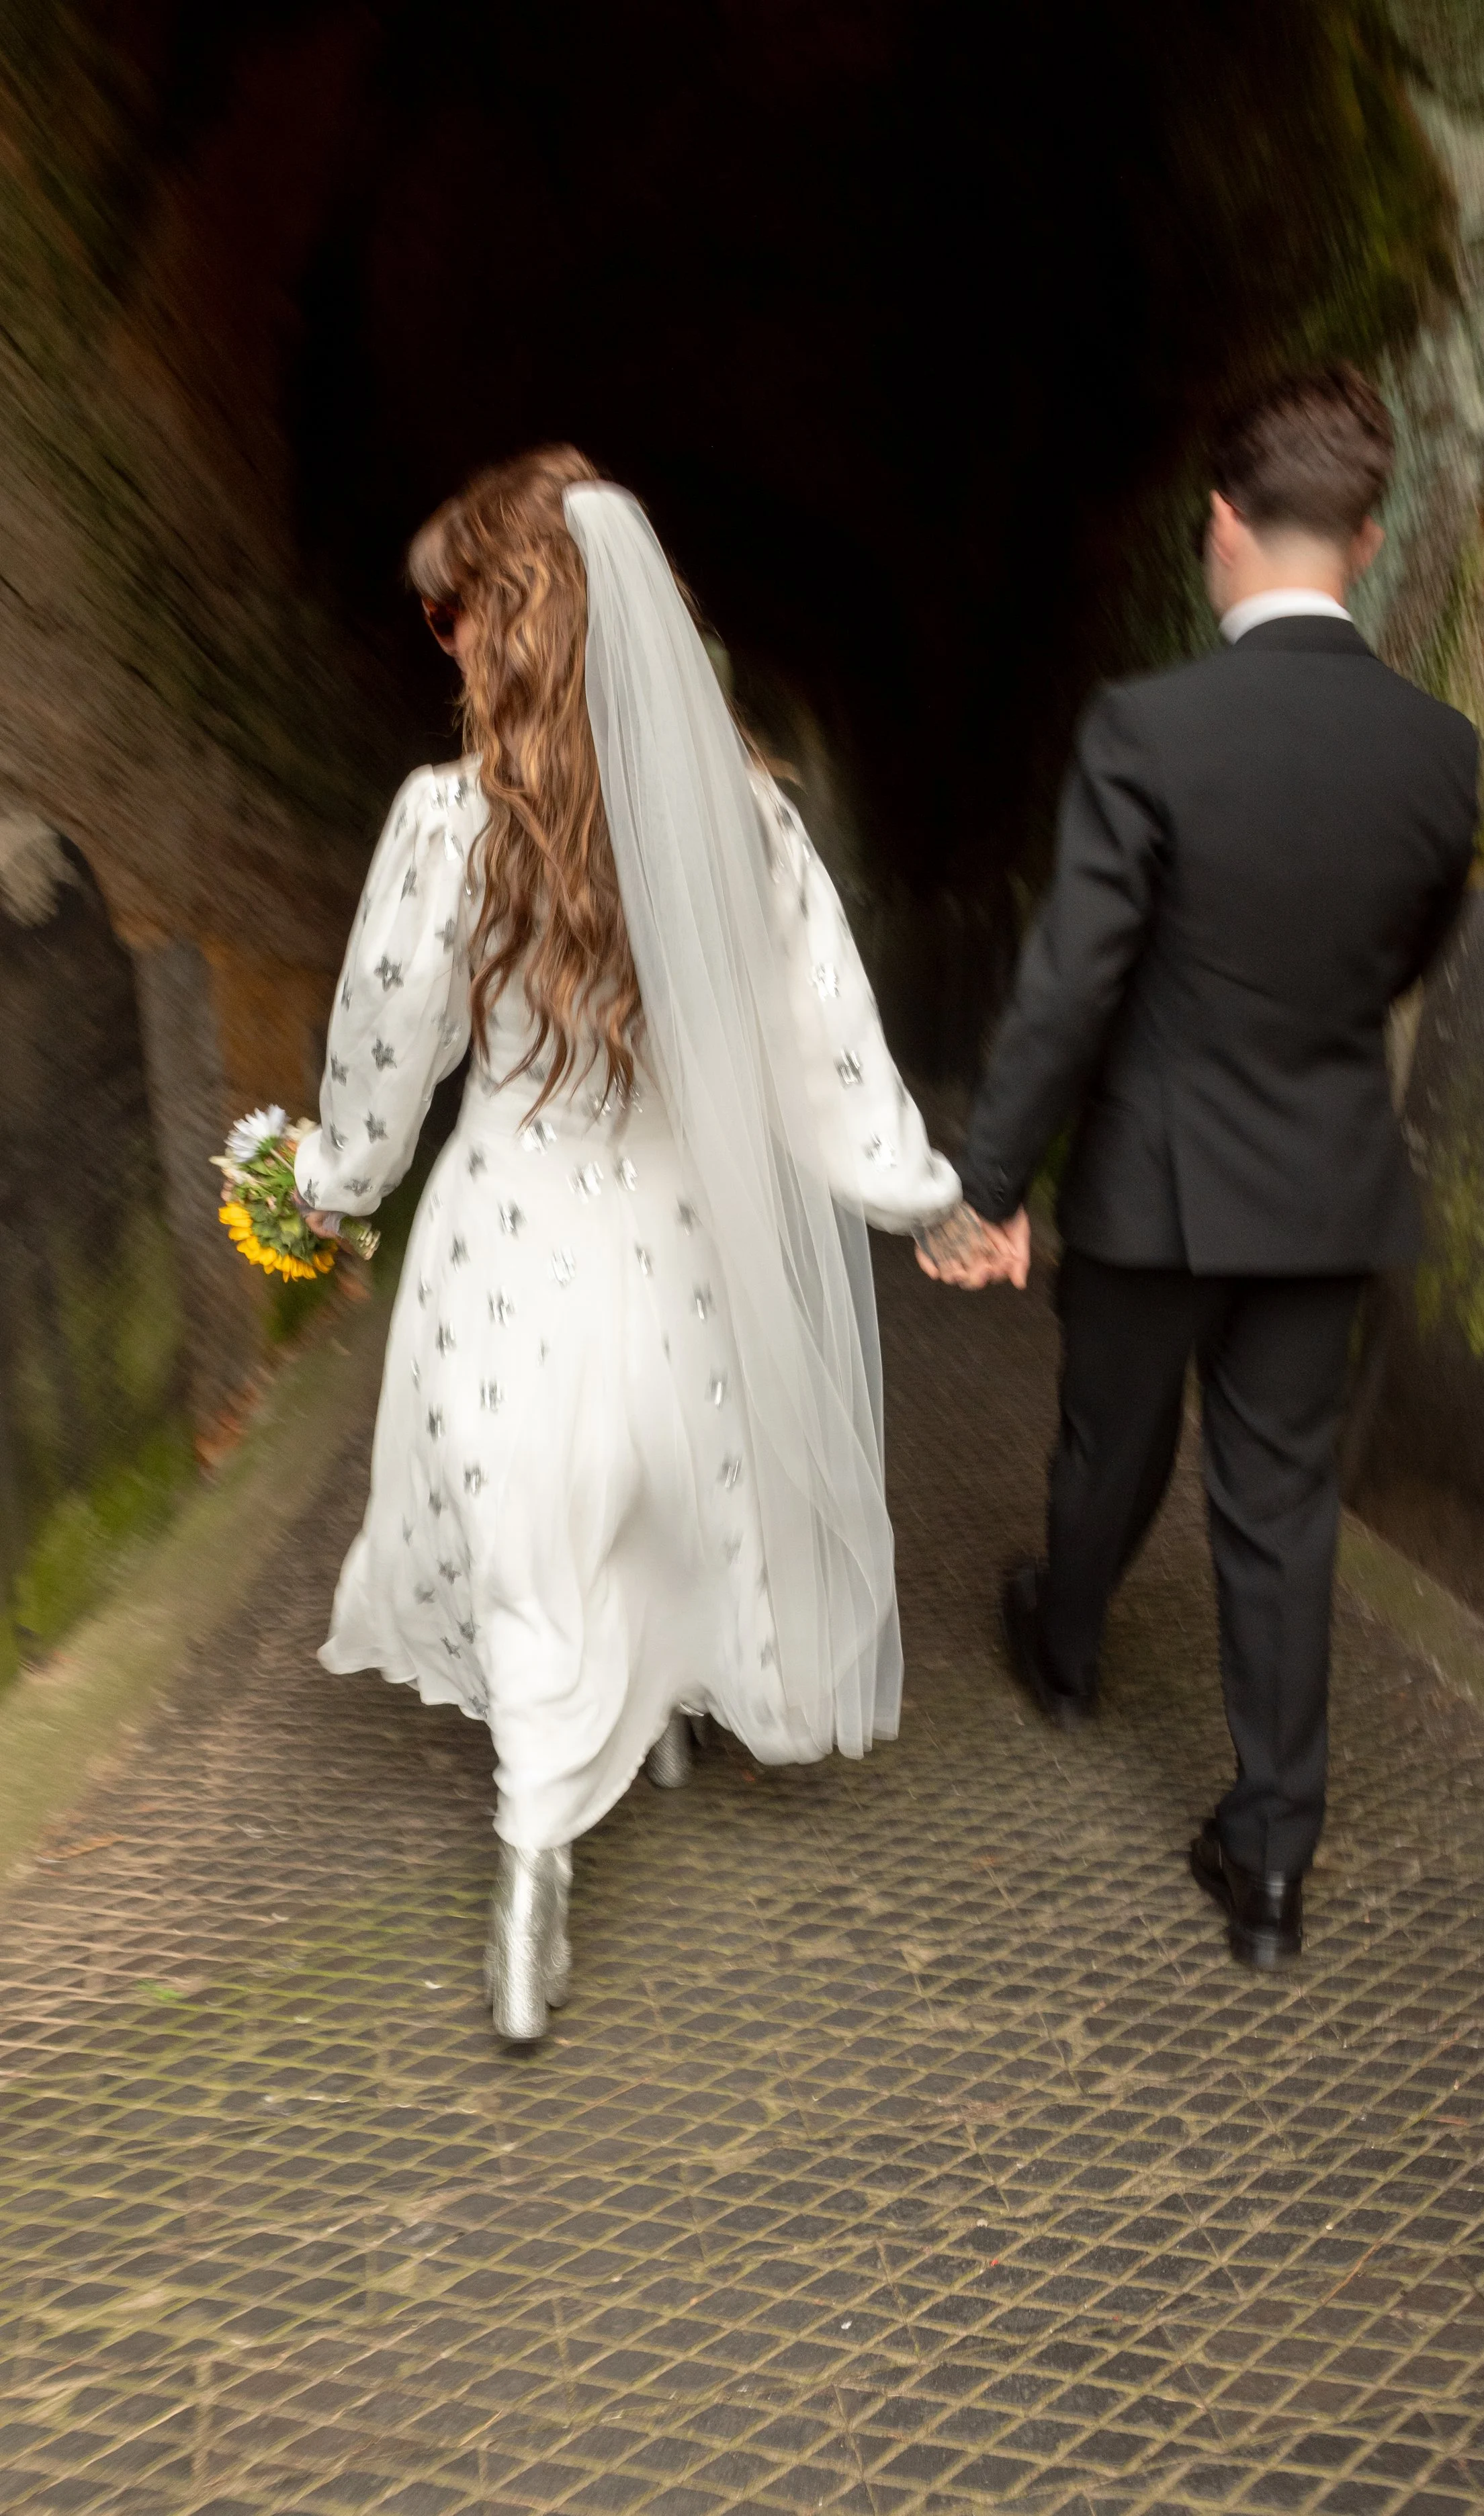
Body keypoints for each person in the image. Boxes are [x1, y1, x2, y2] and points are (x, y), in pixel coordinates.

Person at [294, 447, 959, 2040]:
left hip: (507, 1249)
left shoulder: (446, 824)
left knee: (537, 1514)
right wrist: (915, 1196)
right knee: (671, 1473)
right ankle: (647, 1726)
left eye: (450, 612)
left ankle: (533, 1880)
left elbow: (387, 1048)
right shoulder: (746, 827)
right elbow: (824, 1046)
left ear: (503, 626)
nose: (439, 641)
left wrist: (330, 1183)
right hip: (682, 1240)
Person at [918, 366, 1478, 1969]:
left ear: (1218, 524)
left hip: (1155, 1180)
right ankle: (1271, 1860)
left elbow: (1071, 979)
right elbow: (1401, 952)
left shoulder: (1146, 727)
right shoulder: (1436, 752)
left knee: (1107, 1444)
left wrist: (991, 1179)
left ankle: (1068, 1645)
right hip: (1318, 1181)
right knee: (1278, 1506)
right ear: (1364, 540)